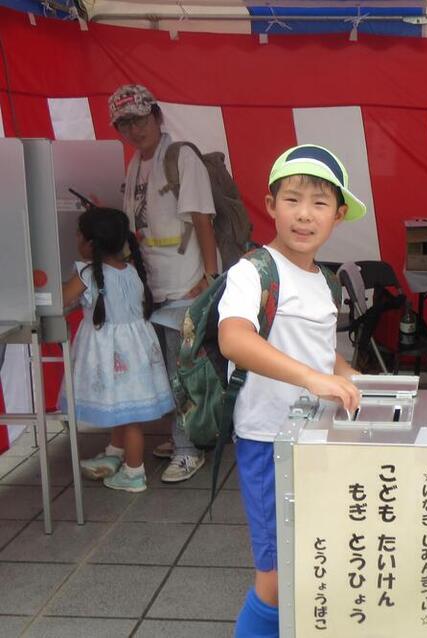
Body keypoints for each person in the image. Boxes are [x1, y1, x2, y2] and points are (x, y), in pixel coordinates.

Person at [217, 144, 363, 637]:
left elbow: (322, 352)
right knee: (276, 578)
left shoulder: (322, 279)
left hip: (315, 440)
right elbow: (235, 338)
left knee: (309, 565)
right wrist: (311, 378)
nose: (304, 214)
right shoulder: (253, 270)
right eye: (293, 199)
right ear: (271, 204)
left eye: (320, 203)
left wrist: (353, 377)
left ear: (339, 215)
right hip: (268, 443)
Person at [109, 84, 218, 482]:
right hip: (151, 285)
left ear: (156, 115)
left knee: (181, 369)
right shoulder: (136, 163)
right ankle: (183, 434)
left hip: (185, 282)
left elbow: (202, 219)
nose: (134, 130)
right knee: (165, 367)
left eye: (138, 119)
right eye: (125, 124)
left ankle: (189, 447)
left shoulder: (180, 156)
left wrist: (208, 278)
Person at [63, 208, 174, 492]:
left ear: (90, 243)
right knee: (124, 405)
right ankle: (114, 452)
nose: (76, 238)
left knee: (130, 416)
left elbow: (62, 298)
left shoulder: (87, 273)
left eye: (78, 233)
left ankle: (134, 472)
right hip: (136, 351)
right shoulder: (132, 270)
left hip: (108, 353)